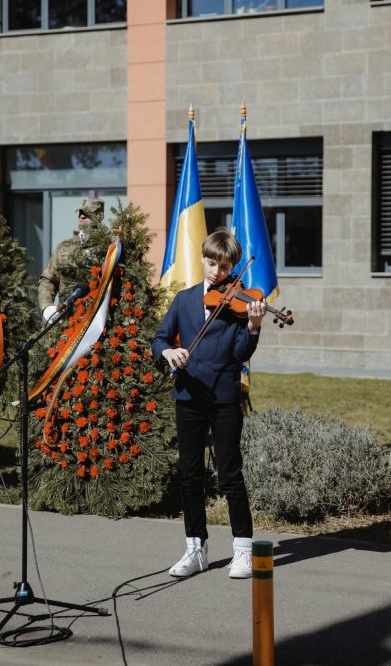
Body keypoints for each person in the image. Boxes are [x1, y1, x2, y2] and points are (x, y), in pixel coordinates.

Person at [151, 227, 267, 579]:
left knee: (230, 473)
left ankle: (243, 550)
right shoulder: (185, 299)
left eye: (224, 265)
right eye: (211, 262)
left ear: (233, 266)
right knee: (190, 474)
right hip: (188, 394)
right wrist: (169, 351)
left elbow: (239, 353)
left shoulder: (239, 304)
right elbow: (158, 339)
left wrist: (254, 325)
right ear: (202, 259)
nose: (217, 271)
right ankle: (195, 549)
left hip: (224, 397)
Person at [38, 196, 104, 322]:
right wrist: (46, 307)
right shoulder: (64, 247)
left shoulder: (108, 249)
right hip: (66, 319)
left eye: (87, 213)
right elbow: (48, 279)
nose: (82, 217)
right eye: (80, 213)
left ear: (99, 216)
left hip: (97, 320)